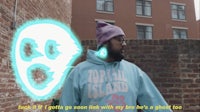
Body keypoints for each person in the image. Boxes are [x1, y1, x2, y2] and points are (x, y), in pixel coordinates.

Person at [59, 21, 172, 112]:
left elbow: (156, 104)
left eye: (124, 40)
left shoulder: (133, 71)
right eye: (119, 40)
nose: (124, 44)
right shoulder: (79, 72)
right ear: (105, 42)